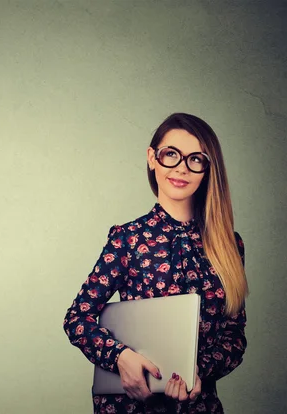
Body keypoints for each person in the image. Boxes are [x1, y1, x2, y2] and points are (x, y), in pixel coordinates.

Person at [63, 113, 248, 413]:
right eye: (170, 155)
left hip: (200, 406)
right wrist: (121, 357)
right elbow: (76, 319)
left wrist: (196, 371)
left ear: (207, 169)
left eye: (195, 159)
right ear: (152, 158)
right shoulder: (128, 238)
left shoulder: (230, 244)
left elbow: (234, 336)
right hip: (132, 406)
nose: (181, 169)